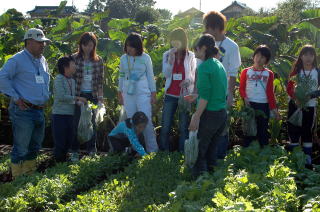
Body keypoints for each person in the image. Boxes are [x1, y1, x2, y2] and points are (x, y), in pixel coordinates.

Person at [0, 28, 50, 178]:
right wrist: (15, 97)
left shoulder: (42, 60)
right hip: (23, 110)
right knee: (21, 147)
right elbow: (1, 78)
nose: (43, 45)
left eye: (44, 43)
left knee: (35, 146)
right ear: (29, 42)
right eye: (39, 42)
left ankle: (28, 176)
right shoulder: (17, 60)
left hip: (38, 110)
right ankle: (16, 179)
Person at [203, 11, 241, 159]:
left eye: (208, 27)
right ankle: (208, 157)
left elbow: (233, 72)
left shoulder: (232, 46)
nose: (205, 30)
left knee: (222, 128)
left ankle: (219, 159)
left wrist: (230, 94)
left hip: (222, 93)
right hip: (206, 93)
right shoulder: (205, 43)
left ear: (216, 27)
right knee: (206, 126)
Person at [188, 34, 228, 177]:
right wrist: (196, 96)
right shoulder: (218, 64)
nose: (195, 52)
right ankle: (213, 176)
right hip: (221, 114)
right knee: (212, 148)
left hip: (210, 114)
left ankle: (200, 181)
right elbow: (215, 90)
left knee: (200, 149)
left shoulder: (204, 68)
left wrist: (196, 116)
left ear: (203, 48)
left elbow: (205, 96)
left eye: (197, 49)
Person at [118, 32, 158, 153]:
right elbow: (121, 75)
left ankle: (153, 150)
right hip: (128, 93)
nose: (129, 49)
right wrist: (119, 92)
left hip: (142, 93)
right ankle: (136, 150)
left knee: (146, 120)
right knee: (131, 122)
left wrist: (153, 93)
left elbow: (150, 76)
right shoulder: (123, 58)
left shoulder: (146, 58)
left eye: (132, 46)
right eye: (128, 46)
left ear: (138, 47)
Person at [159, 28, 197, 152]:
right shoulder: (167, 54)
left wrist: (188, 81)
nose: (175, 43)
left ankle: (182, 153)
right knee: (165, 126)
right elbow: (166, 74)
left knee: (183, 126)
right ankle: (164, 152)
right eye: (173, 40)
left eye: (178, 40)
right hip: (170, 94)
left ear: (183, 41)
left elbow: (193, 74)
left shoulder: (190, 55)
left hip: (185, 95)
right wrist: (170, 61)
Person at [71, 32, 105, 161]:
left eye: (90, 45)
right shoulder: (74, 58)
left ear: (94, 45)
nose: (87, 48)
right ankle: (75, 151)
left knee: (92, 124)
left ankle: (91, 150)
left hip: (93, 95)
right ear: (81, 45)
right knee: (77, 123)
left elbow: (100, 80)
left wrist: (101, 98)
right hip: (79, 94)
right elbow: (70, 78)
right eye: (85, 45)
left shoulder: (98, 60)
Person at [239, 45, 280, 147]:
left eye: (262, 57)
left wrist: (274, 109)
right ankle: (247, 152)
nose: (259, 59)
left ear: (266, 60)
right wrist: (245, 98)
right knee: (249, 129)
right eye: (257, 55)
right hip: (249, 105)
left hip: (263, 105)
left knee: (262, 130)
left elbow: (270, 92)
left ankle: (263, 153)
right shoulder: (246, 71)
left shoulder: (269, 74)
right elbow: (242, 88)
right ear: (253, 56)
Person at [286, 45, 319, 167]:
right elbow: (289, 88)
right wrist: (295, 98)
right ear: (301, 56)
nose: (308, 58)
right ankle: (294, 158)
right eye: (305, 55)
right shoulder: (296, 71)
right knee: (293, 130)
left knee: (307, 132)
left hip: (309, 106)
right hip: (295, 105)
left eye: (311, 55)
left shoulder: (317, 72)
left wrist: (312, 95)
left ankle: (307, 159)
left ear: (314, 57)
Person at [52, 56, 87, 163]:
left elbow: (70, 98)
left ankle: (63, 161)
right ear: (65, 67)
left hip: (70, 114)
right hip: (59, 115)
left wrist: (78, 102)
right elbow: (61, 96)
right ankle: (58, 162)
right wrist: (77, 98)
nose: (75, 66)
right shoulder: (58, 79)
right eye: (73, 65)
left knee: (69, 139)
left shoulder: (72, 80)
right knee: (60, 140)